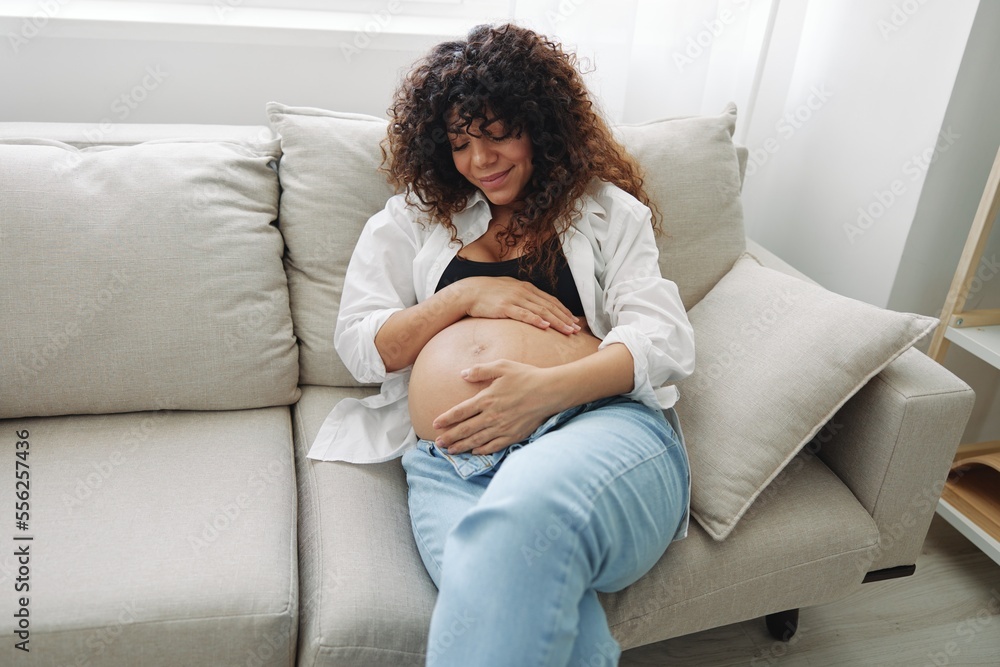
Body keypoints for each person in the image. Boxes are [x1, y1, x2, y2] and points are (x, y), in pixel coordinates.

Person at [307, 22, 696, 667]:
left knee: (521, 527)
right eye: (460, 143)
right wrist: (462, 297)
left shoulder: (606, 212)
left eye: (497, 135)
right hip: (450, 460)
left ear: (542, 125)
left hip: (594, 425)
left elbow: (664, 338)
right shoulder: (413, 217)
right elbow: (359, 343)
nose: (479, 161)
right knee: (505, 595)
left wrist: (542, 392)